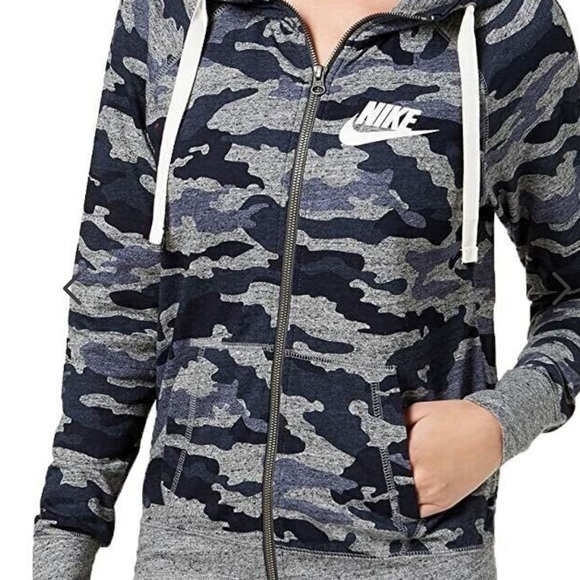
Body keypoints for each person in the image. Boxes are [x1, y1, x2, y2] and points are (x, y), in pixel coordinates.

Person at [33, 0, 580, 579]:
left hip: (409, 557)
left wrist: (500, 422)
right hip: (190, 555)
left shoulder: (505, 24)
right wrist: (61, 548)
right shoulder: (169, 14)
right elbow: (116, 293)